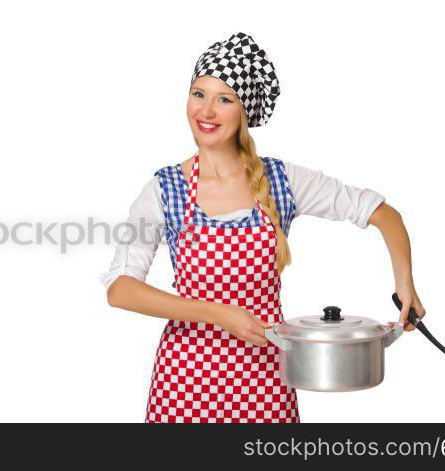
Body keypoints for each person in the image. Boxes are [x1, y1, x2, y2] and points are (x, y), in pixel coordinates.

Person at [101, 32, 426, 423]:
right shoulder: (162, 190)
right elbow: (121, 290)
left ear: (244, 111)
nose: (206, 111)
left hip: (268, 378)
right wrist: (216, 313)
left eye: (224, 99)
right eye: (198, 93)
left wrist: (404, 284)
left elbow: (381, 214)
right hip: (183, 381)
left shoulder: (283, 180)